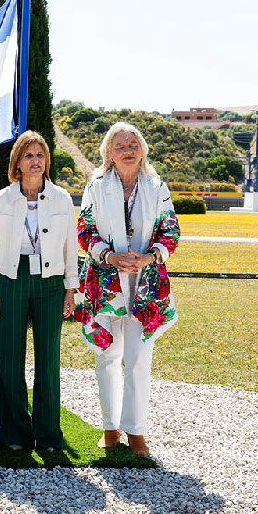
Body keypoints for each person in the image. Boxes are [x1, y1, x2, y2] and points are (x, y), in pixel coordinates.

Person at [75, 121, 180, 456]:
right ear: (109, 152)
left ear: (142, 149)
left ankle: (136, 431)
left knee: (138, 360)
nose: (128, 151)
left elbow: (171, 231)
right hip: (105, 285)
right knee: (107, 356)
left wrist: (150, 257)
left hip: (145, 286)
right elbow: (85, 230)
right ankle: (111, 427)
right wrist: (108, 255)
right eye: (120, 146)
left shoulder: (157, 187)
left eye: (133, 145)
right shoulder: (96, 187)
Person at [0, 130, 79, 451]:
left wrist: (71, 289)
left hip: (51, 282)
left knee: (48, 360)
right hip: (11, 280)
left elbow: (70, 246)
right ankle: (16, 434)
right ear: (17, 163)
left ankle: (49, 434)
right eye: (28, 155)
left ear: (46, 161)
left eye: (40, 155)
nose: (35, 161)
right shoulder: (1, 199)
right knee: (10, 358)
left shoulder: (61, 199)